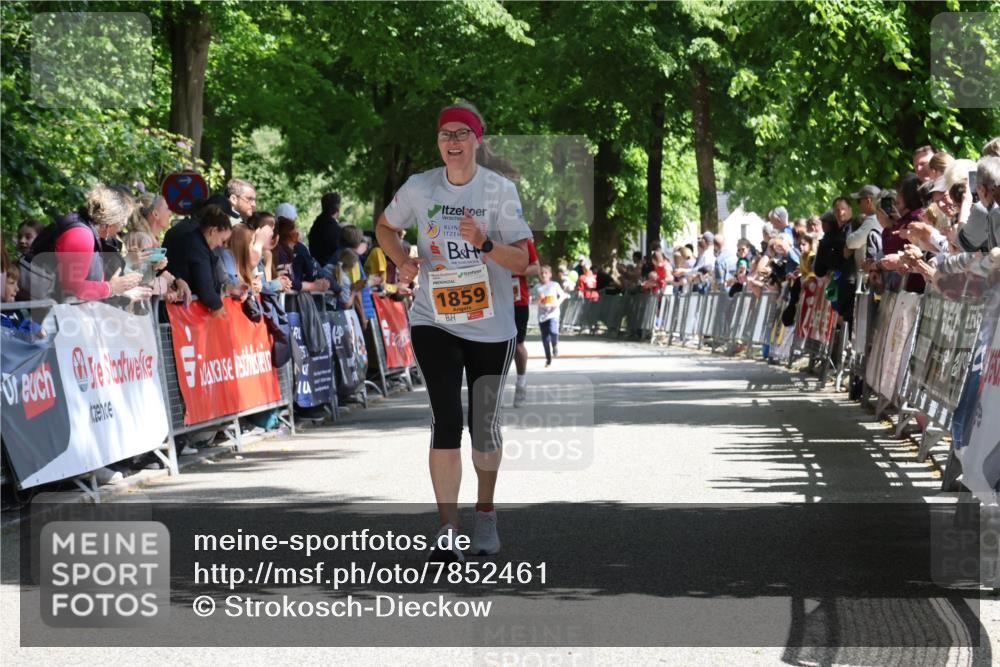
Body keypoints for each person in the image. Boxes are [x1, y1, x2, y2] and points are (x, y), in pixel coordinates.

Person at [374, 101, 532, 562]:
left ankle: (485, 512)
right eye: (446, 134)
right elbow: (385, 227)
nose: (454, 141)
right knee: (447, 417)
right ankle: (448, 526)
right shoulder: (420, 188)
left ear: (477, 141)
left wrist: (483, 242)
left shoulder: (499, 190)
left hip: (493, 325)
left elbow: (523, 261)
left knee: (483, 426)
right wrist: (402, 260)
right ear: (439, 143)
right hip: (434, 318)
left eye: (463, 133)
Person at [23, 185, 144, 302]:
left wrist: (120, 289)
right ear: (109, 223)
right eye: (123, 224)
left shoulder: (87, 228)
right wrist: (110, 288)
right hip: (35, 307)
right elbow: (72, 289)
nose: (122, 229)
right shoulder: (81, 236)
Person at [163, 204, 234, 315]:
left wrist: (228, 289)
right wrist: (217, 306)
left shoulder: (197, 242)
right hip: (180, 312)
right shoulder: (197, 247)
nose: (220, 244)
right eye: (222, 240)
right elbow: (205, 288)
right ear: (213, 231)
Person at [512, 239, 540, 408]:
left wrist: (517, 269)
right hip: (493, 300)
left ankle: (521, 383)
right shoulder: (485, 237)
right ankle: (494, 391)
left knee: (518, 345)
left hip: (517, 300)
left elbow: (536, 267)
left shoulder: (522, 240)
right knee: (493, 347)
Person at [274, 207, 330, 294]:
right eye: (295, 235)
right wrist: (313, 285)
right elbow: (291, 281)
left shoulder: (281, 252)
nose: (296, 242)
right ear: (287, 236)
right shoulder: (282, 253)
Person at [532, 265, 567, 367]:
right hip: (542, 316)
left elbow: (563, 295)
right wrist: (538, 299)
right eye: (542, 273)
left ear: (550, 275)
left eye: (546, 273)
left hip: (553, 313)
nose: (543, 275)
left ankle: (555, 345)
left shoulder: (554, 285)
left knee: (553, 331)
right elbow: (532, 301)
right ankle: (548, 359)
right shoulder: (537, 287)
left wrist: (557, 303)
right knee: (545, 339)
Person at [309, 192, 344, 267]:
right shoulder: (334, 229)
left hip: (316, 266)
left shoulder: (317, 224)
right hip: (328, 270)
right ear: (338, 208)